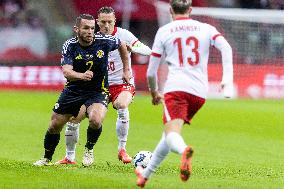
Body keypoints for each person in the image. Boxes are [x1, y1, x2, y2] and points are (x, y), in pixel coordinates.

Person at [135, 0, 233, 187]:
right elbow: (226, 48)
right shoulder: (205, 28)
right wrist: (226, 79)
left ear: (170, 10)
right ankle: (145, 176)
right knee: (169, 135)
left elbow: (150, 72)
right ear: (190, 10)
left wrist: (154, 92)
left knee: (172, 135)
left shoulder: (164, 31)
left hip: (177, 89)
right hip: (199, 93)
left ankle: (184, 150)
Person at [55, 7, 152, 166]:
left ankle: (122, 149)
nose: (106, 25)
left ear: (115, 21)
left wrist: (132, 48)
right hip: (99, 86)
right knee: (74, 118)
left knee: (121, 105)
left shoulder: (123, 35)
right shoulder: (92, 38)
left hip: (121, 84)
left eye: (110, 22)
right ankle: (69, 157)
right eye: (103, 22)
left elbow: (147, 50)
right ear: (97, 22)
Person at [33, 13, 131, 166]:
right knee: (54, 125)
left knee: (96, 120)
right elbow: (66, 71)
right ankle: (46, 158)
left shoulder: (104, 41)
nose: (90, 31)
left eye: (92, 28)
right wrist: (81, 76)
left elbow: (122, 45)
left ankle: (89, 149)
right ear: (76, 29)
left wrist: (126, 70)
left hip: (98, 91)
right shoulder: (70, 45)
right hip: (73, 90)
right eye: (86, 28)